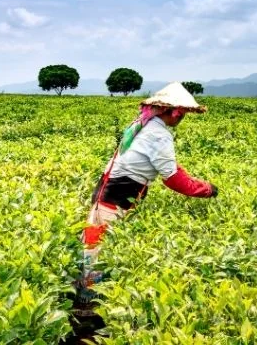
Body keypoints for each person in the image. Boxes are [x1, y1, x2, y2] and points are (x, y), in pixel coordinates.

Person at [73, 82, 218, 317]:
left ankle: (87, 303)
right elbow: (172, 178)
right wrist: (205, 189)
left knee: (94, 244)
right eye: (181, 115)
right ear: (172, 112)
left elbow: (167, 165)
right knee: (98, 249)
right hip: (115, 197)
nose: (181, 119)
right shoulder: (159, 134)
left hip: (108, 192)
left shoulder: (142, 125)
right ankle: (88, 311)